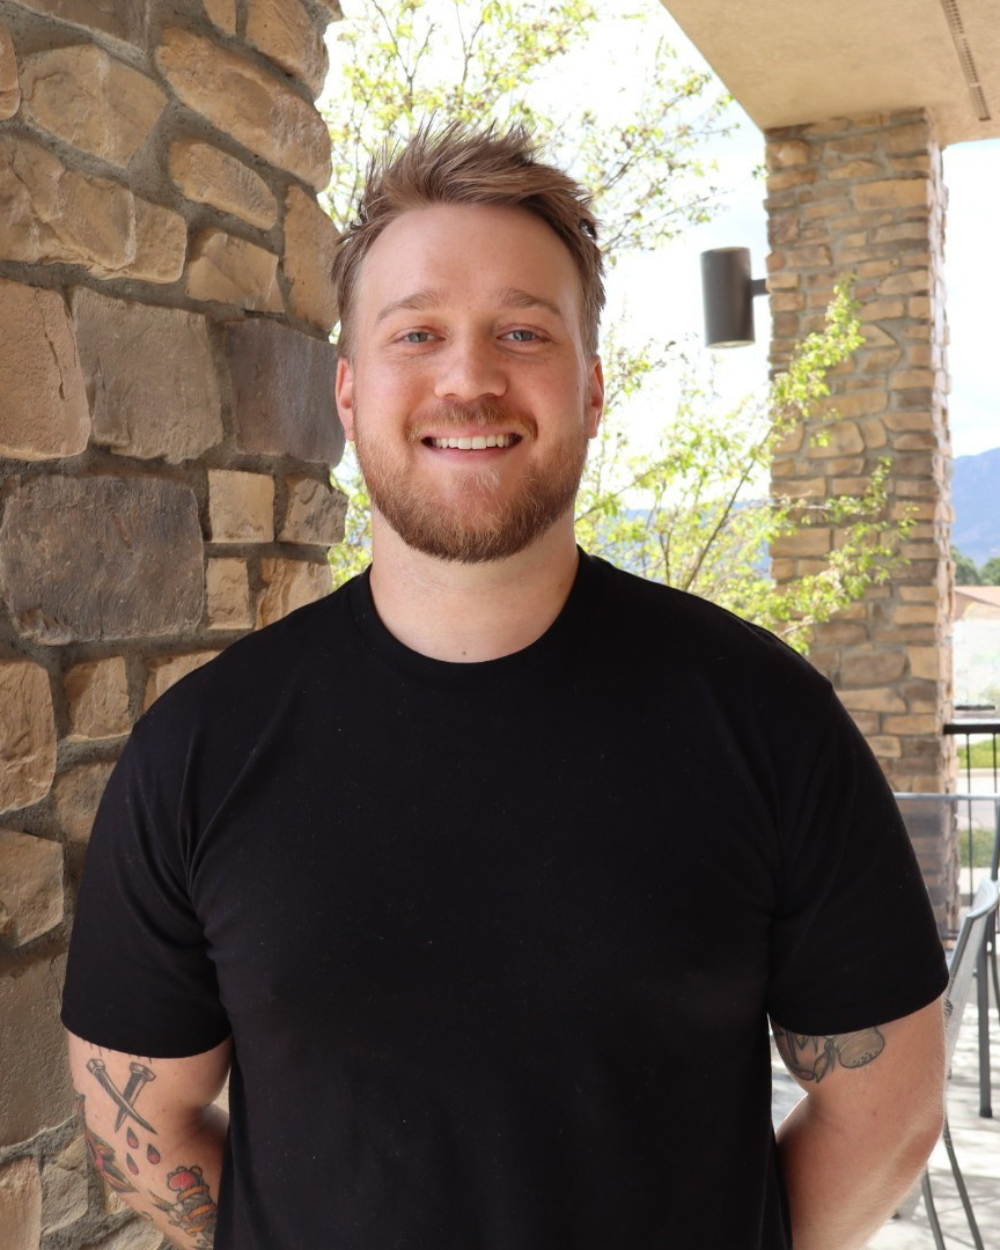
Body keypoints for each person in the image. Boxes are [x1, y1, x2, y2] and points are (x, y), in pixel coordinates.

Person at [63, 123, 948, 1250]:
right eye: (417, 331)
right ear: (348, 391)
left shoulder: (763, 717)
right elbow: (141, 1123)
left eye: (521, 331)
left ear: (589, 386)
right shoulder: (200, 747)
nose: (469, 377)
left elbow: (887, 1106)